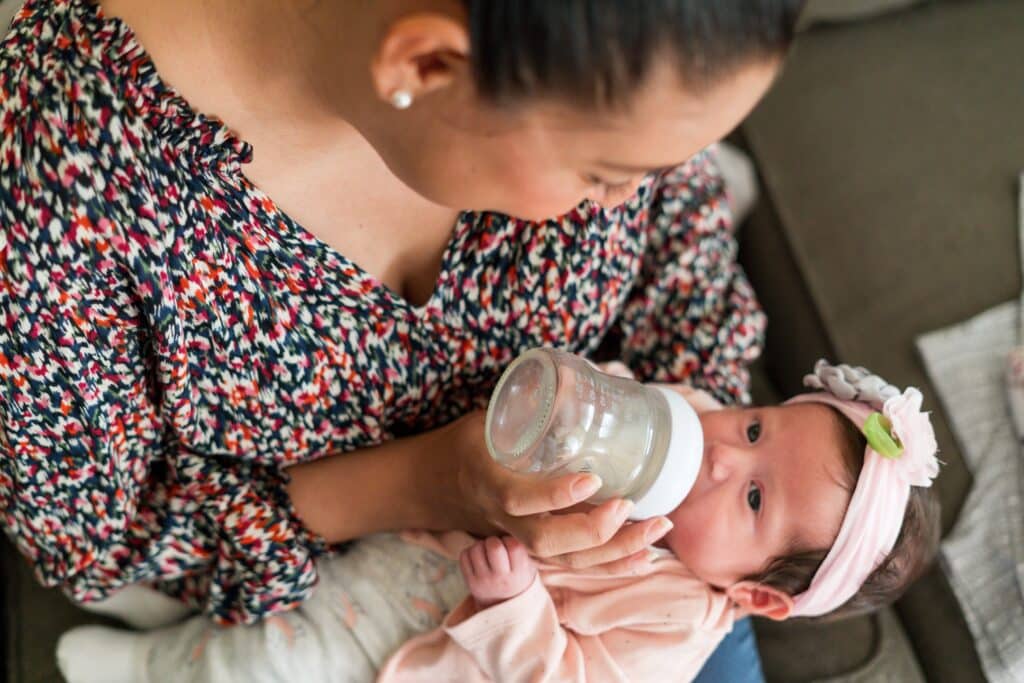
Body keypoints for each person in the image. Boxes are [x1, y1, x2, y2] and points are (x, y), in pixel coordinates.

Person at [0, 0, 804, 679]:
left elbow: (683, 242)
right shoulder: (63, 195)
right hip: (343, 602)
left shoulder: (628, 47)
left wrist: (701, 476)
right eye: (603, 172)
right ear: (425, 66)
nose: (627, 193)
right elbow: (100, 543)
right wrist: (431, 480)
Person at [55, 361, 942, 683]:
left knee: (285, 658)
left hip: (440, 641)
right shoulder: (689, 425)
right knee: (292, 579)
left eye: (754, 499)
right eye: (753, 427)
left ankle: (155, 664)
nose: (720, 456)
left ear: (750, 592)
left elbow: (570, 676)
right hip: (415, 550)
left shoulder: (676, 622)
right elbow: (615, 401)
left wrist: (517, 606)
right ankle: (174, 596)